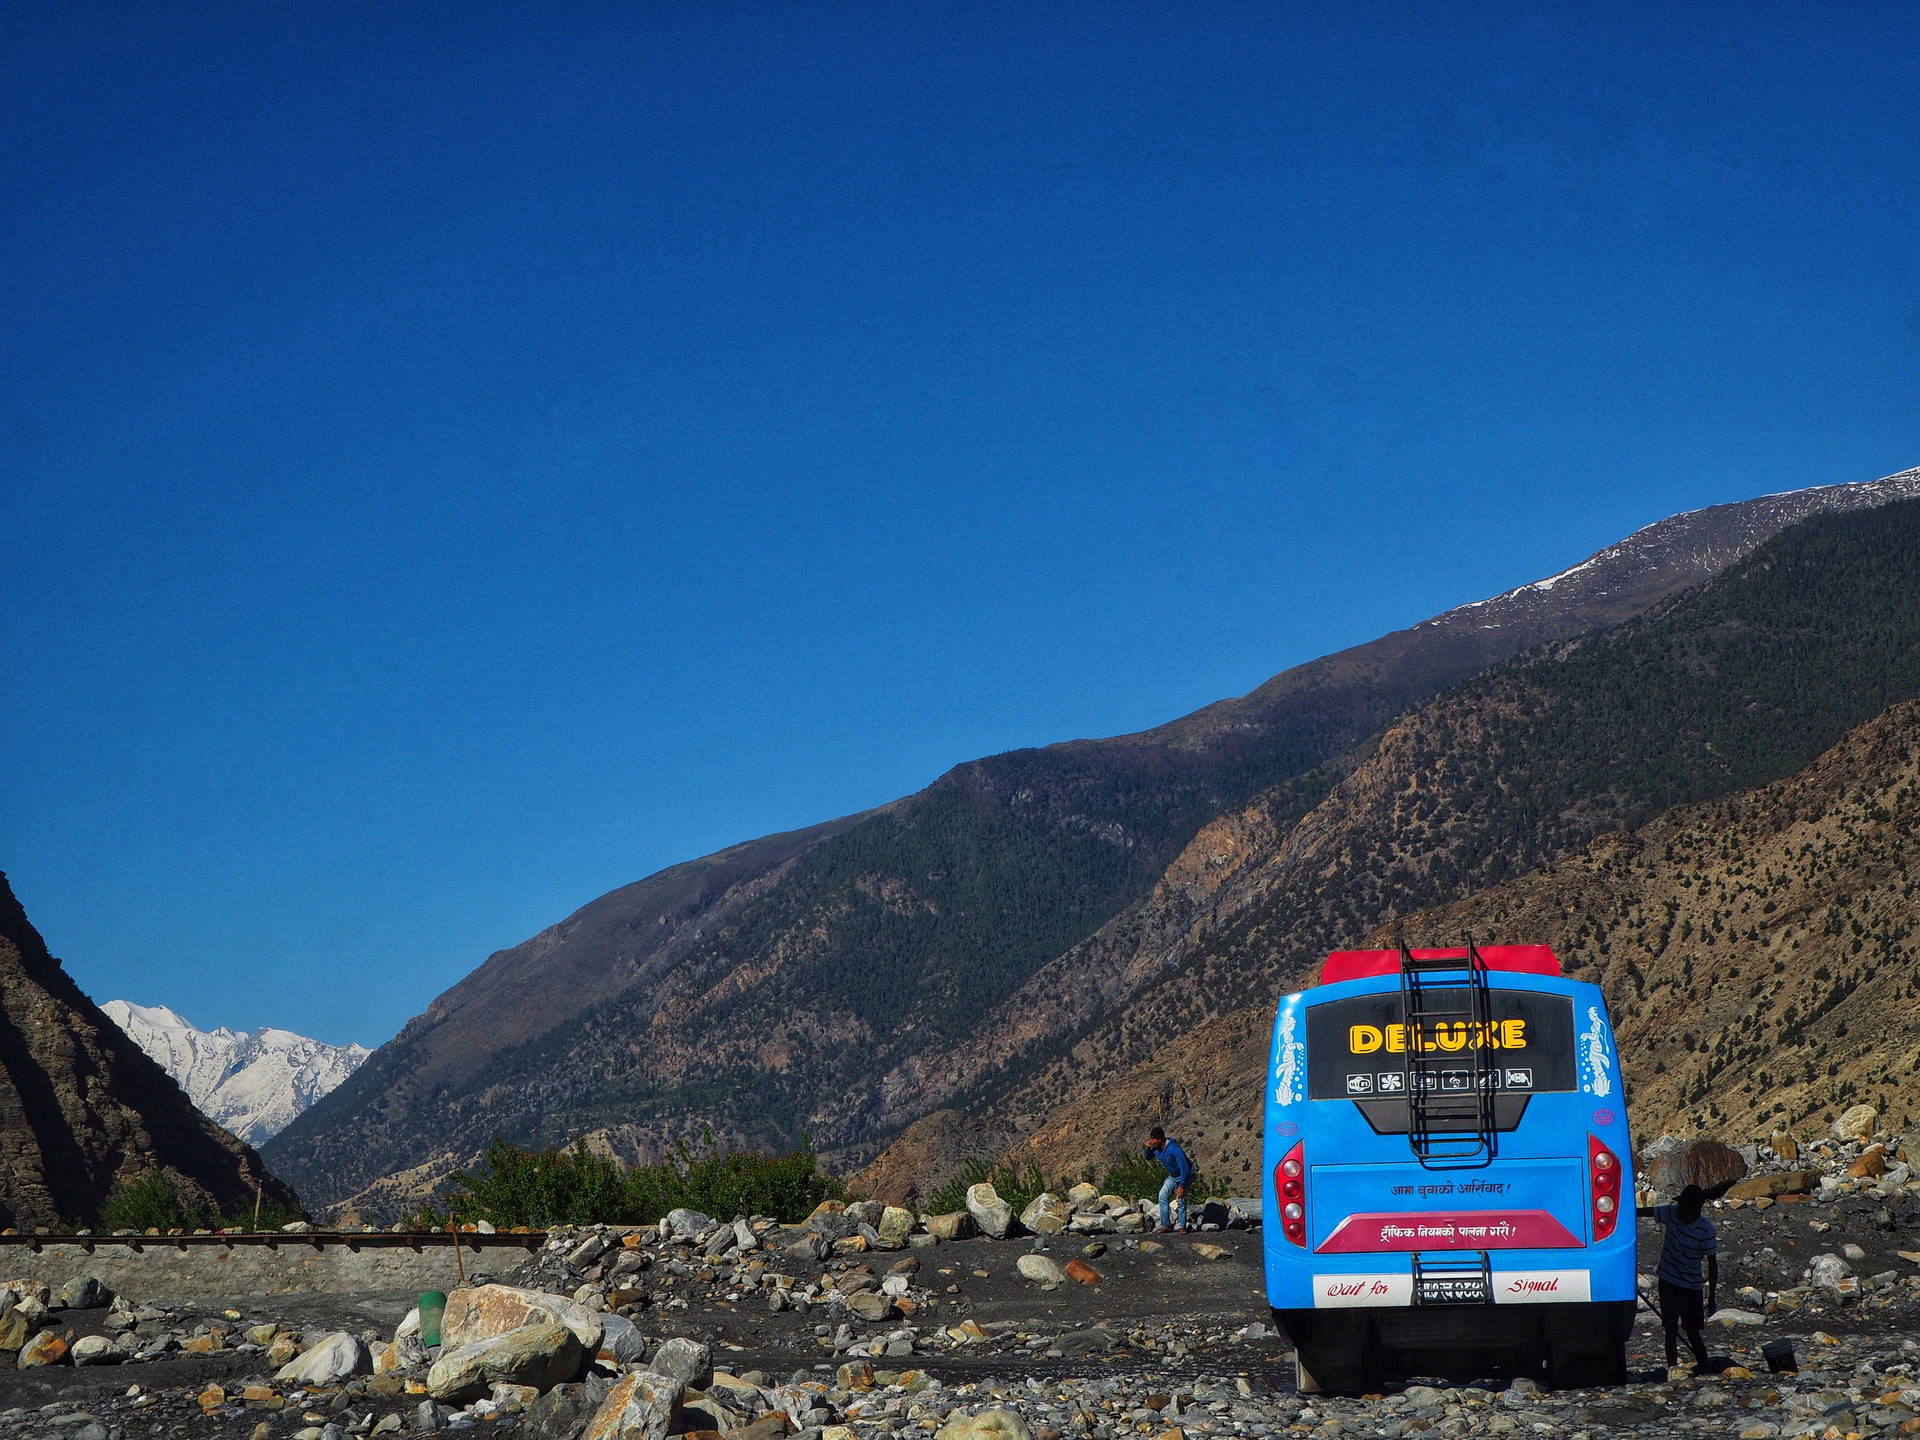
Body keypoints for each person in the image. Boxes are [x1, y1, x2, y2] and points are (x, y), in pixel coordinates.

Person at [1637, 1183, 1718, 1371]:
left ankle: (1705, 1367)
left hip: (1691, 1288)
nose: (1680, 1210)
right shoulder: (1671, 1214)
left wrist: (1712, 1297)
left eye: (1685, 1207)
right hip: (1668, 1282)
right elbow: (1642, 1212)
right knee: (1670, 1330)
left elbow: (1712, 1264)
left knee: (1693, 1332)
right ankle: (1672, 1368)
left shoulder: (1706, 1231)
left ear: (1696, 1208)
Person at [1144, 1125, 1195, 1232]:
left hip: (1186, 1174)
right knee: (1162, 1196)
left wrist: (1181, 1185)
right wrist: (1148, 1148)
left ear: (1159, 1139)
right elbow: (1148, 1157)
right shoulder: (1156, 1149)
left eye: (1153, 1139)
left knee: (1180, 1199)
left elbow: (1184, 1167)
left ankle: (1182, 1227)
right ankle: (1166, 1225)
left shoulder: (1173, 1148)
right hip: (1173, 1176)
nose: (1151, 1141)